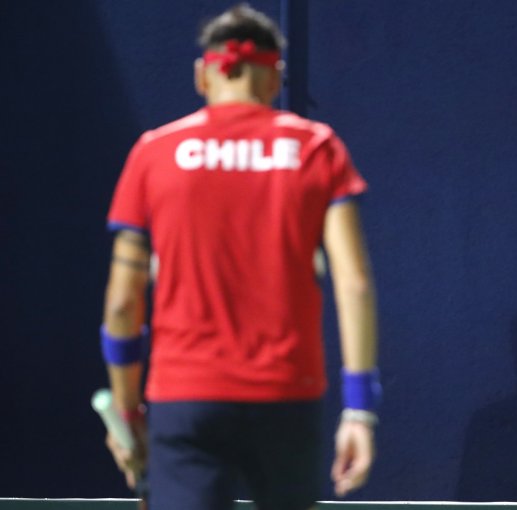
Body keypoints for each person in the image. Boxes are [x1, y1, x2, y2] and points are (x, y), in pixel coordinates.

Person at [99, 5, 380, 510]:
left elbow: (122, 305)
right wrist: (359, 410)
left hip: (184, 401)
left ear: (202, 75)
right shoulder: (317, 148)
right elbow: (354, 283)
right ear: (276, 78)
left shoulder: (153, 153)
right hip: (288, 397)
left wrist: (127, 412)